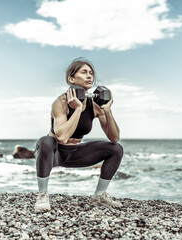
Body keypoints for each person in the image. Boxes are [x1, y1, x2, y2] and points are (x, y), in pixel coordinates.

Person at [34, 58, 124, 212]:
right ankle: (42, 195)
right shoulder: (60, 102)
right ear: (71, 78)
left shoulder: (95, 106)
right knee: (46, 141)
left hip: (75, 154)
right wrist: (77, 109)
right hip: (53, 154)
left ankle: (99, 196)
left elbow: (114, 138)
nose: (89, 76)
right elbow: (61, 137)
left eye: (91, 73)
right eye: (84, 72)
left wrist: (107, 110)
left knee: (116, 149)